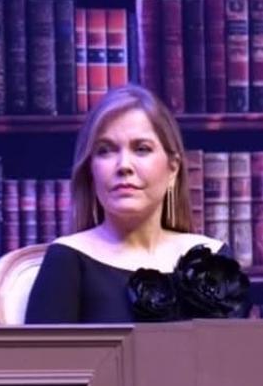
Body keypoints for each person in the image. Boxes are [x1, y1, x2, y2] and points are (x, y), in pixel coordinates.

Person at [25, 83, 249, 323]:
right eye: (105, 151)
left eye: (141, 149)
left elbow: (236, 357)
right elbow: (42, 360)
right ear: (90, 170)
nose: (123, 166)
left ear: (173, 168)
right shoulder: (68, 259)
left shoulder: (215, 259)